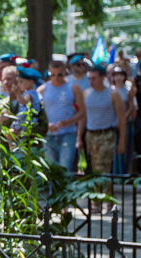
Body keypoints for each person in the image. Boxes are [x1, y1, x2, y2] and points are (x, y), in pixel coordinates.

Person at [63, 65, 127, 212]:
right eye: (89, 78)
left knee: (101, 167)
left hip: (107, 134)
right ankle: (106, 198)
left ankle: (99, 202)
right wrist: (79, 137)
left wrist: (122, 141)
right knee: (95, 169)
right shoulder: (86, 93)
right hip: (91, 135)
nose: (91, 81)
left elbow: (122, 118)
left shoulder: (113, 94)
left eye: (94, 78)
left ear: (103, 78)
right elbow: (82, 117)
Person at [42, 59, 85, 172]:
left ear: (65, 72)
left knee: (65, 168)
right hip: (49, 135)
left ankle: (65, 189)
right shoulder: (42, 89)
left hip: (68, 133)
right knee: (51, 170)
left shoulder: (73, 88)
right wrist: (46, 124)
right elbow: (36, 114)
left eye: (59, 74)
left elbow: (82, 112)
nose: (56, 77)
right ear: (49, 73)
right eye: (53, 74)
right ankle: (53, 190)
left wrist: (68, 122)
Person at [111, 66, 134, 174]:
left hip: (125, 123)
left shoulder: (127, 90)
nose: (119, 78)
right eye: (116, 75)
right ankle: (115, 173)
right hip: (113, 124)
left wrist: (123, 119)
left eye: (121, 75)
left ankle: (124, 173)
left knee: (124, 147)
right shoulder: (111, 91)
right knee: (113, 149)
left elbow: (131, 107)